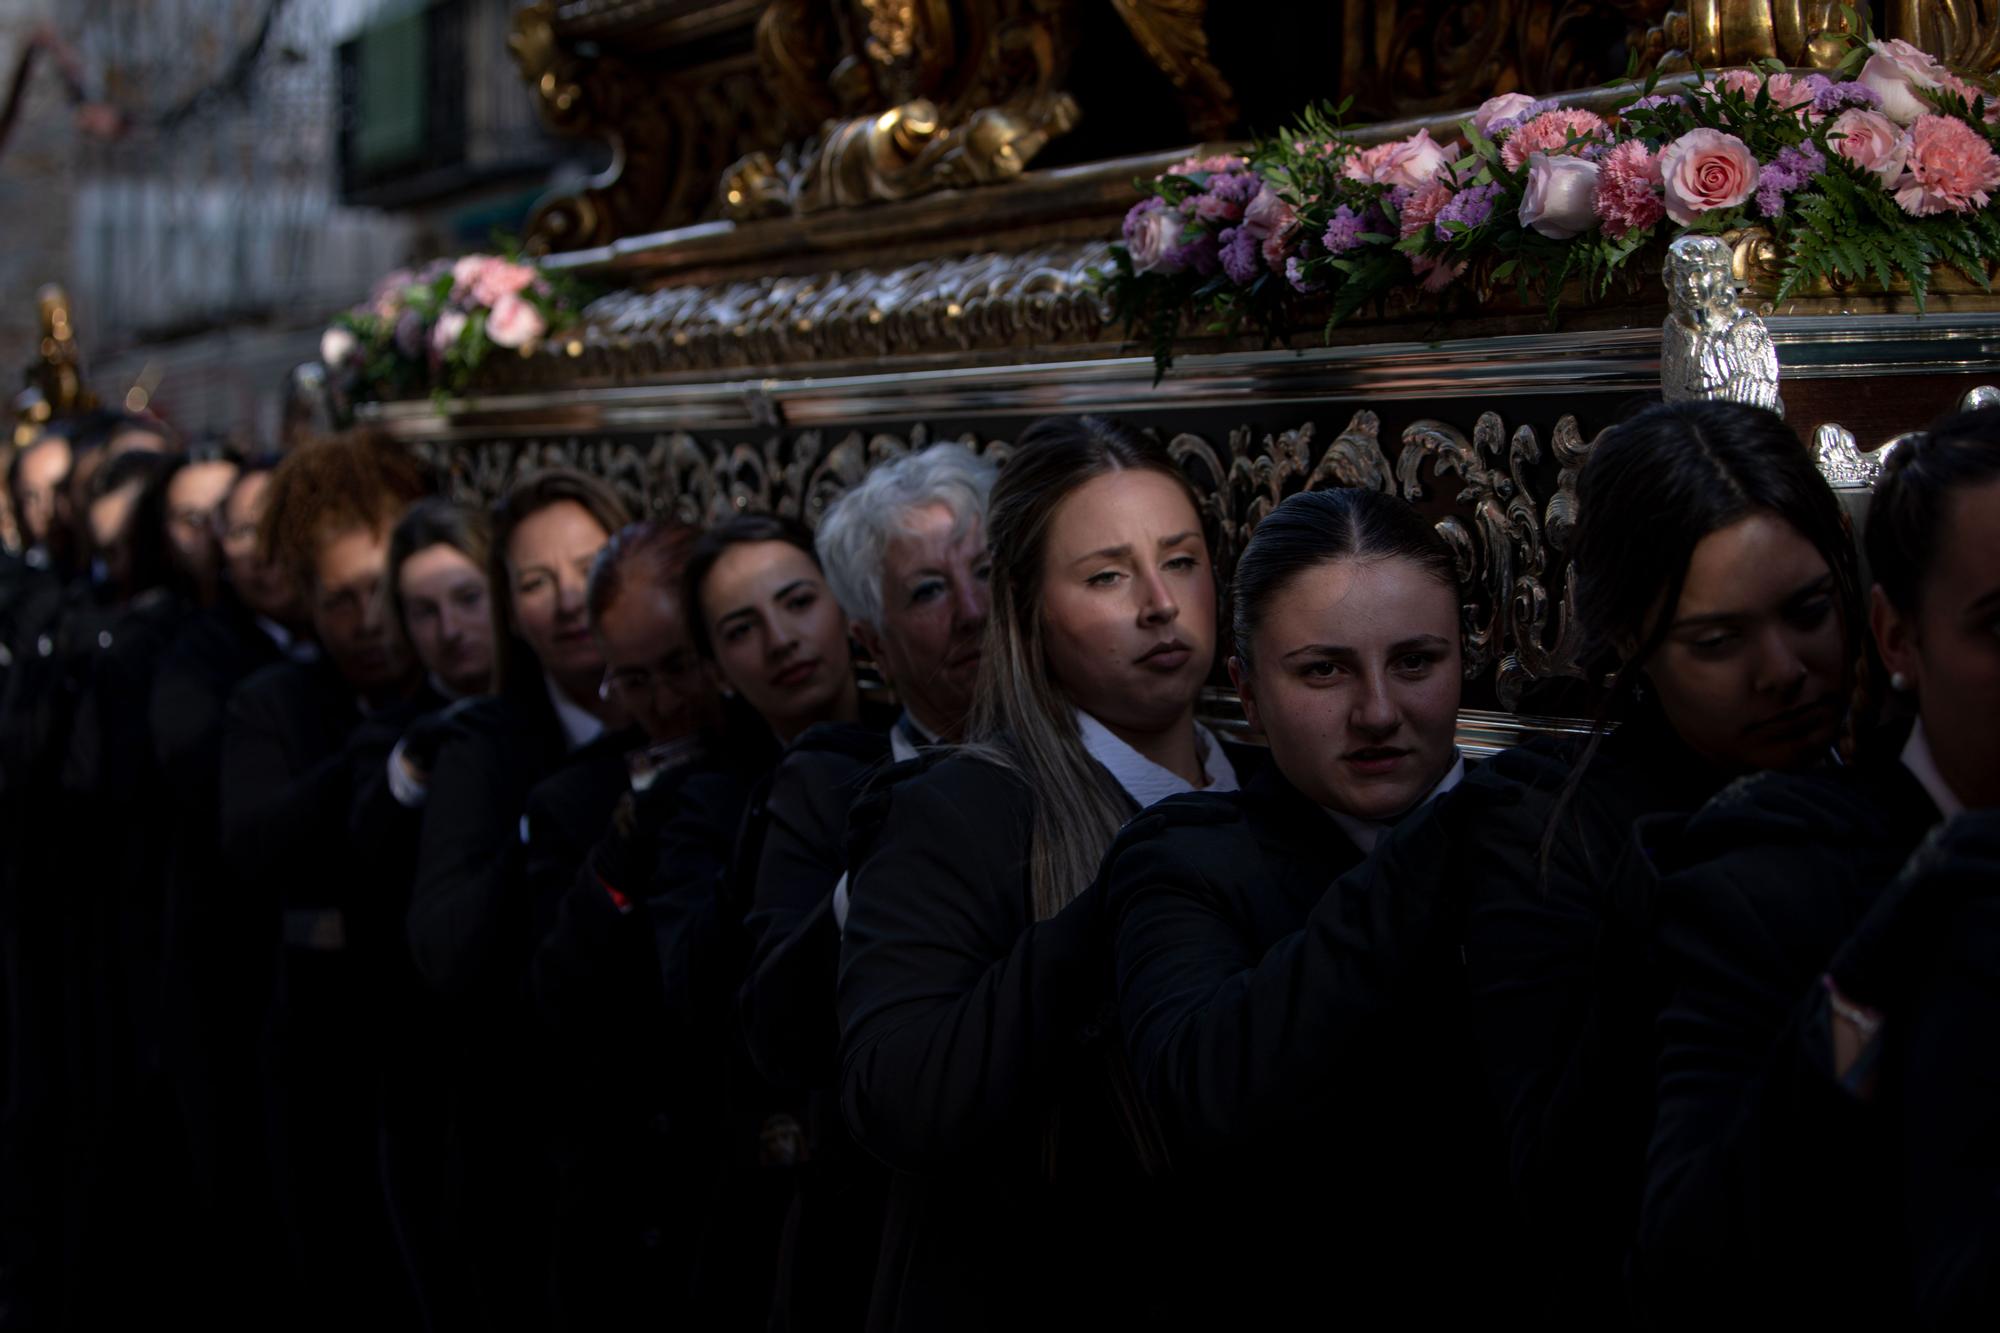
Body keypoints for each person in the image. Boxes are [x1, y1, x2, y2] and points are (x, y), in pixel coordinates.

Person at [1451, 399, 1861, 1325]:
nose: (1784, 669)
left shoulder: (1914, 764)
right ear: (1632, 639)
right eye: (1717, 641)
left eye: (1808, 611)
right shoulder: (1547, 833)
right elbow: (1561, 1196)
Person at [837, 415, 1246, 1331]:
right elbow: (898, 1096)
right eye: (1106, 575)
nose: (1158, 603)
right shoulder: (960, 810)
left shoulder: (1267, 791)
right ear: (1028, 612)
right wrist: (1125, 897)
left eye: (1180, 560)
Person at [1096, 485, 1511, 1322]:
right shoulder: (1186, 859)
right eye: (1324, 669)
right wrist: (1431, 848)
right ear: (1247, 693)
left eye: (1416, 662)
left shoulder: (1550, 831)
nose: (1379, 713)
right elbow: (1206, 1091)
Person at [1639, 407, 2000, 1322]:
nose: (1780, 672)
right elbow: (1692, 1252)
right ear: (1897, 638)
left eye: (1804, 613)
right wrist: (1901, 939)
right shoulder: (1769, 875)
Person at [739, 444, 996, 1331]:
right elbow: (777, 1028)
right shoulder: (826, 787)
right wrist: (886, 874)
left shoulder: (1107, 750)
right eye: (928, 590)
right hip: (892, 1246)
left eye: (991, 570)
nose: (974, 611)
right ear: (869, 640)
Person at [530, 519, 779, 1330]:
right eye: (636, 680)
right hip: (637, 1187)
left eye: (680, 667)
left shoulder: (780, 763)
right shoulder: (582, 800)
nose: (667, 703)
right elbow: (555, 987)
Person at [404, 468, 632, 1327]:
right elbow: (446, 946)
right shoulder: (488, 747)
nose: (571, 599)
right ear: (512, 609)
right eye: (536, 583)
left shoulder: (699, 710)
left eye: (590, 564)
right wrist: (551, 824)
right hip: (532, 1149)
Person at [219, 431, 432, 1331]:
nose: (373, 622)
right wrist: (367, 762)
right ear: (307, 601)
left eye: (385, 593)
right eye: (343, 601)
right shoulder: (275, 703)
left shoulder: (453, 695)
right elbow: (252, 843)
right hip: (321, 1050)